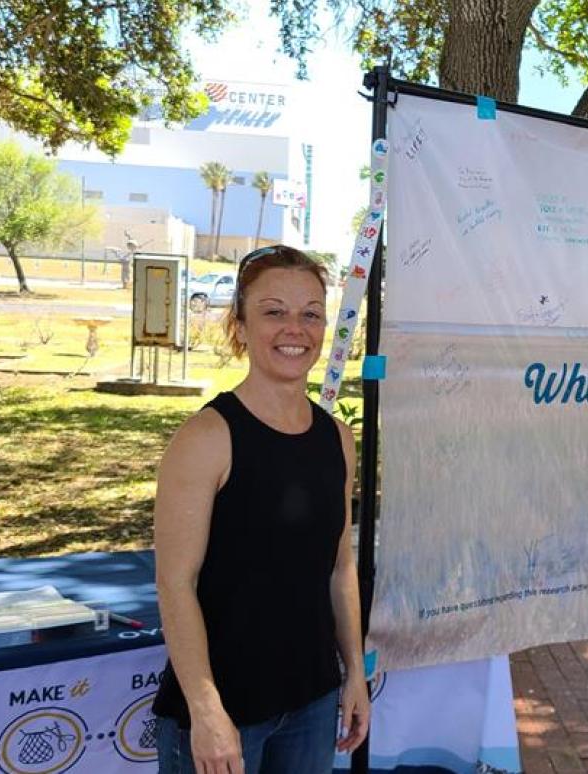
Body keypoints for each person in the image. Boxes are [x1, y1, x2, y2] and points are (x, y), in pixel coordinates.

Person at [152, 244, 369, 773]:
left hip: (313, 702)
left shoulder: (337, 438)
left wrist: (355, 674)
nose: (295, 328)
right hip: (226, 711)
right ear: (242, 326)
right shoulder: (207, 437)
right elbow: (175, 583)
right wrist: (206, 710)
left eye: (311, 313)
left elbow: (340, 568)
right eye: (274, 311)